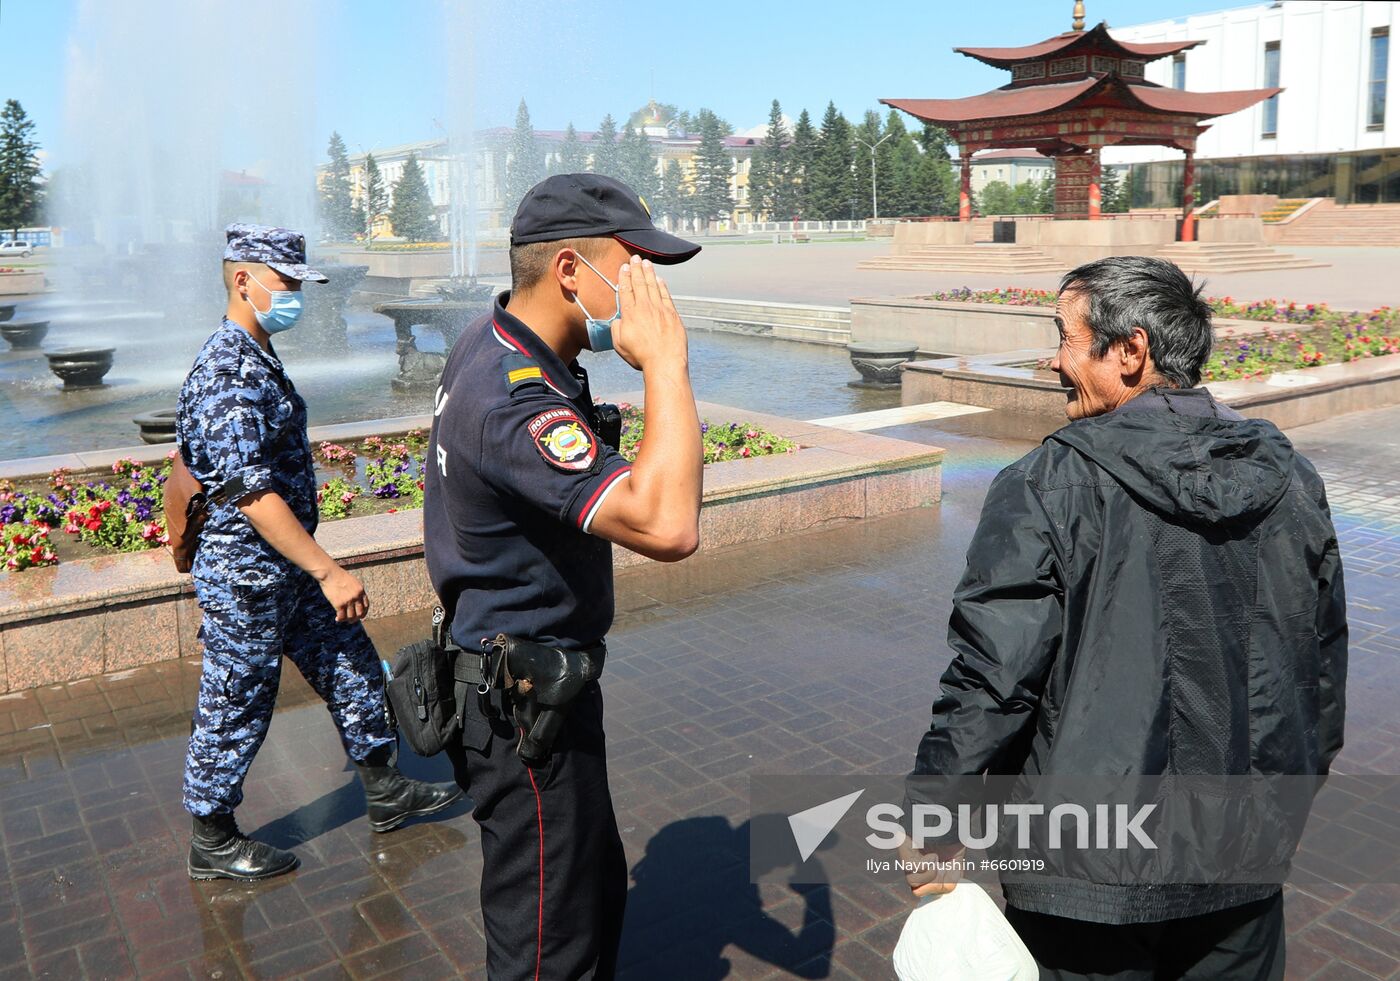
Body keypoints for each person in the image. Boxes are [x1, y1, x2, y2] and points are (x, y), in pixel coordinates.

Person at [902, 256, 1347, 979]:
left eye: (1065, 338)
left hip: (1086, 879)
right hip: (1244, 858)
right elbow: (1321, 670)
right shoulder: (1291, 477)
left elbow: (994, 677)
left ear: (1131, 351)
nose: (1052, 359)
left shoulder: (1047, 483)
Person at [424, 173, 704, 979]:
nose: (644, 286)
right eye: (635, 265)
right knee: (548, 949)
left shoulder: (493, 339)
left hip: (532, 689)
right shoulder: (517, 401)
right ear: (572, 271)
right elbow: (669, 523)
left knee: (588, 896)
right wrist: (666, 362)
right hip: (524, 719)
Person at [177, 223, 461, 881]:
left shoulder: (257, 353)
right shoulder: (227, 367)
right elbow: (250, 493)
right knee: (239, 695)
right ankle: (212, 836)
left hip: (283, 568)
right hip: (247, 573)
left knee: (348, 657)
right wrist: (327, 568)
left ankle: (385, 788)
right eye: (287, 283)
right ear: (243, 281)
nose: (297, 296)